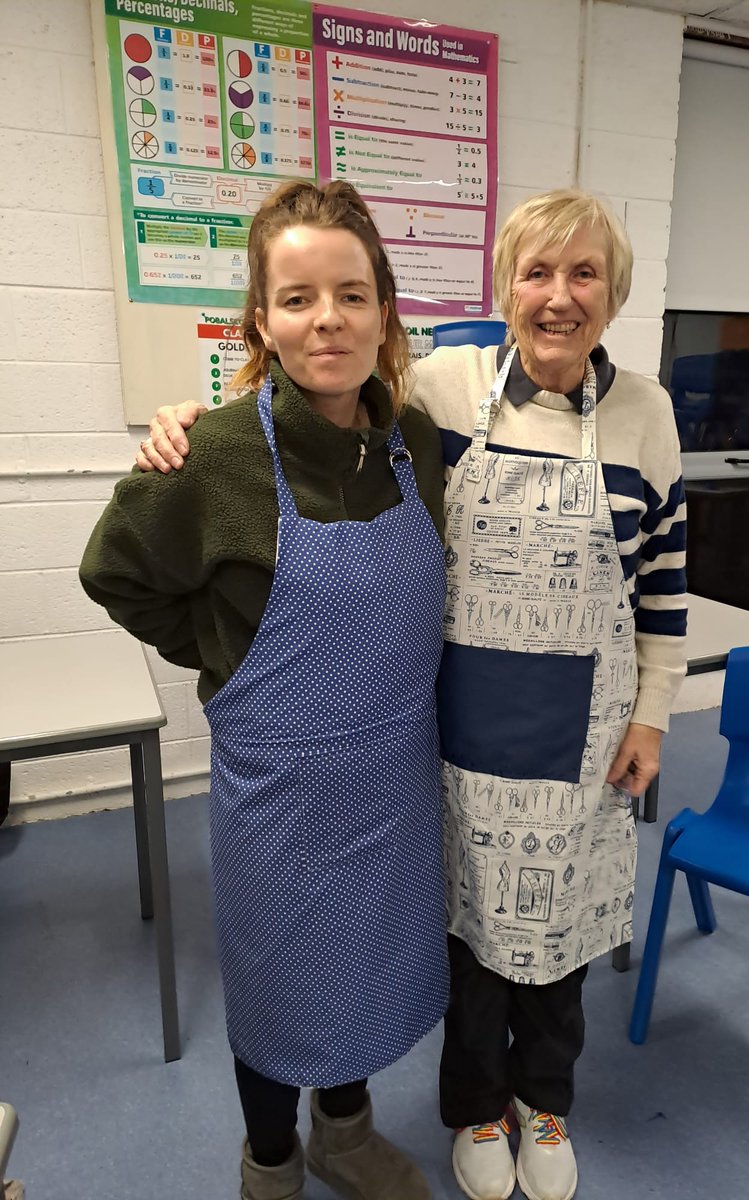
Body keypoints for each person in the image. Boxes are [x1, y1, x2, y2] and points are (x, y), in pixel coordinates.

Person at [137, 188, 688, 1200]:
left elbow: (663, 579)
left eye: (584, 274)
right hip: (438, 735)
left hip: (553, 736)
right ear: (504, 286)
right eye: (536, 271)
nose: (559, 296)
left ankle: (524, 1103)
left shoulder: (641, 415)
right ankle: (428, 1114)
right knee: (443, 941)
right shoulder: (439, 392)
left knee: (522, 942)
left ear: (614, 294)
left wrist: (654, 709)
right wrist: (190, 418)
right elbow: (292, 412)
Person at [80, 180, 450, 1200]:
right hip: (279, 790)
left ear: (384, 313)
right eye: (297, 298)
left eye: (351, 294)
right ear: (261, 318)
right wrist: (221, 655)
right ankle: (272, 1160)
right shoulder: (213, 454)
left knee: (366, 961)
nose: (326, 318)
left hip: (392, 776)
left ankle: (346, 1132)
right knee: (279, 979)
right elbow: (112, 571)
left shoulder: (417, 443)